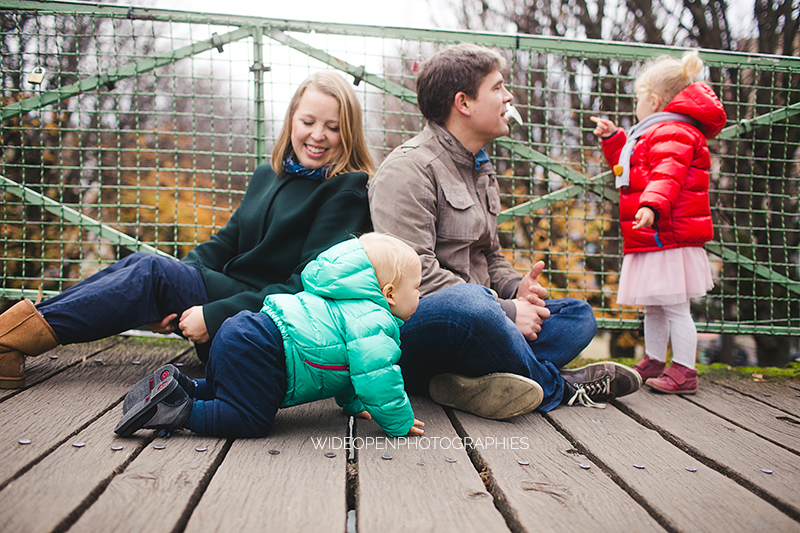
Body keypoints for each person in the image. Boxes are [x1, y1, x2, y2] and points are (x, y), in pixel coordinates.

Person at [0, 71, 374, 388]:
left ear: (349, 132)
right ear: (292, 119)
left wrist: (214, 315)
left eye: (333, 127)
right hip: (226, 302)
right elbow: (225, 242)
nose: (318, 135)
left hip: (260, 326)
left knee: (153, 272)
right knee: (149, 268)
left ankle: (10, 338)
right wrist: (173, 292)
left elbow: (309, 289)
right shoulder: (269, 175)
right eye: (309, 122)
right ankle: (11, 336)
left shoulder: (346, 190)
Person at [369, 43, 642, 418]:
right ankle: (558, 387)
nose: (509, 96)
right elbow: (412, 277)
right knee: (470, 307)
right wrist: (508, 311)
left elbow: (489, 256)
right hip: (424, 328)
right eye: (497, 87)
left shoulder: (481, 167)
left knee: (578, 316)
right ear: (463, 103)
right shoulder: (408, 169)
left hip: (486, 318)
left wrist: (517, 289)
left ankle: (469, 382)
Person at [115, 233, 426, 439]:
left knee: (232, 389)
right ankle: (179, 412)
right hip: (264, 348)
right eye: (416, 287)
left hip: (247, 332)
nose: (421, 294)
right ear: (389, 294)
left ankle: (182, 386)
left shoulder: (341, 300)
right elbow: (376, 374)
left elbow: (353, 369)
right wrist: (398, 421)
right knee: (248, 418)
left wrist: (353, 404)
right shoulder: (374, 320)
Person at [591, 51, 726, 394]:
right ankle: (654, 358)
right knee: (654, 305)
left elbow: (668, 174)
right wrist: (614, 141)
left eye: (638, 98)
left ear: (652, 100)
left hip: (668, 234)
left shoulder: (673, 132)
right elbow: (637, 169)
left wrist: (651, 205)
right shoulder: (657, 131)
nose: (636, 104)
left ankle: (684, 369)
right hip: (656, 234)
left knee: (675, 307)